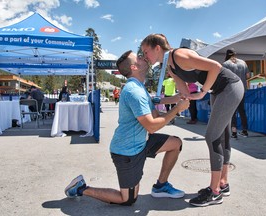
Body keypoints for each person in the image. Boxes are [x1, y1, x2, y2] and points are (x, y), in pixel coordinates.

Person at [64, 50, 189, 206]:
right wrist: (177, 108)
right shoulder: (133, 91)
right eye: (139, 58)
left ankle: (161, 186)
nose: (144, 57)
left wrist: (174, 99)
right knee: (128, 199)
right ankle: (82, 188)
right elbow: (152, 126)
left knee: (175, 143)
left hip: (141, 142)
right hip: (127, 151)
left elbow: (155, 113)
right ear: (134, 67)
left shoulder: (139, 87)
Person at [141, 33, 244, 207]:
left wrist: (203, 91)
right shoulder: (170, 67)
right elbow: (184, 94)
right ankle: (222, 183)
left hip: (230, 87)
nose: (144, 56)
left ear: (157, 48)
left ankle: (214, 193)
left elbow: (215, 66)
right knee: (222, 136)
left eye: (145, 51)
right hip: (218, 91)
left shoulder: (179, 55)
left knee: (212, 137)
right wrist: (158, 100)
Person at [223, 48, 250, 138]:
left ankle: (234, 132)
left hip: (232, 90)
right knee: (242, 111)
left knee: (232, 112)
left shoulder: (226, 64)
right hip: (242, 89)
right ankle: (245, 131)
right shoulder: (243, 62)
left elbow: (224, 78)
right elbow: (248, 75)